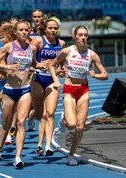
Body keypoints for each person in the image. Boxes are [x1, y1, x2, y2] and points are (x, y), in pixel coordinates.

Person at [49, 25, 108, 165]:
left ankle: (71, 155)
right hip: (69, 89)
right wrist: (56, 80)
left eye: (85, 35)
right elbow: (52, 65)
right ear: (74, 37)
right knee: (71, 124)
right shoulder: (67, 52)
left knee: (80, 127)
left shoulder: (92, 55)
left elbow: (105, 75)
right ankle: (64, 119)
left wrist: (96, 76)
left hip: (83, 90)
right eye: (80, 35)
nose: (83, 37)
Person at [0, 19, 46, 168]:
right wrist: (8, 67)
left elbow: (33, 64)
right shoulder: (9, 46)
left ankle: (18, 157)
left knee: (21, 122)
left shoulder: (32, 48)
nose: (24, 32)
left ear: (30, 32)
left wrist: (41, 66)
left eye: (26, 30)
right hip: (9, 90)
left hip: (25, 89)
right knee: (6, 123)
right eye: (21, 30)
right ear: (15, 32)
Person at [31, 19, 65, 156]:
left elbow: (61, 62)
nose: (53, 30)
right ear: (45, 29)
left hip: (52, 80)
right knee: (40, 115)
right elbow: (30, 61)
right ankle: (39, 144)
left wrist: (61, 69)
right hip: (38, 79)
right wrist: (39, 64)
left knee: (49, 113)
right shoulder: (39, 41)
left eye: (55, 28)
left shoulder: (61, 43)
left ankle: (47, 145)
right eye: (50, 28)